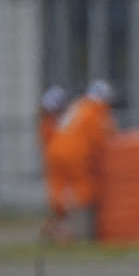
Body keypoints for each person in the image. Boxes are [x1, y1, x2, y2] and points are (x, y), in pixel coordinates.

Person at [50, 80, 115, 240]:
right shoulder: (95, 112)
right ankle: (78, 232)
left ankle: (56, 226)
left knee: (61, 192)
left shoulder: (78, 106)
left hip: (56, 150)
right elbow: (100, 141)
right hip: (76, 154)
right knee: (83, 189)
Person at [38, 86, 69, 239]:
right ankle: (51, 232)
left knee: (60, 203)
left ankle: (50, 231)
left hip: (58, 165)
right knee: (59, 203)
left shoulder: (50, 123)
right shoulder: (49, 125)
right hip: (57, 165)